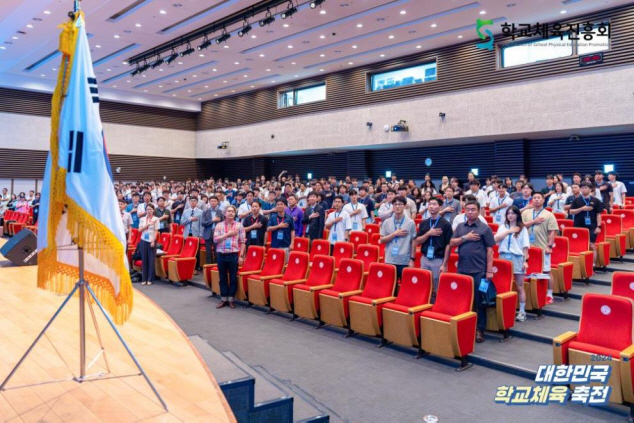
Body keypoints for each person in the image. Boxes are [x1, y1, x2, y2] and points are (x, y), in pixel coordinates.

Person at [450, 201, 496, 343]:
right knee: (463, 300)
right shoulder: (460, 226)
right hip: (462, 269)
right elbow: (452, 243)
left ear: (478, 211)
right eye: (467, 210)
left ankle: (479, 329)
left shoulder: (484, 228)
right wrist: (465, 238)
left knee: (479, 301)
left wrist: (489, 271)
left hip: (479, 271)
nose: (470, 212)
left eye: (473, 210)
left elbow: (490, 250)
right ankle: (465, 326)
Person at [521, 192, 558, 305]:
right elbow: (521, 226)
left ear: (543, 200)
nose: (536, 200)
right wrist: (534, 221)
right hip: (527, 248)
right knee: (527, 271)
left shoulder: (549, 214)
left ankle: (549, 294)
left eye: (539, 198)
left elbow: (553, 231)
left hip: (542, 248)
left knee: (546, 271)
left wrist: (549, 246)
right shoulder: (526, 212)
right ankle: (533, 295)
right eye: (535, 198)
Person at [494, 206, 530, 322]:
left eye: (513, 213)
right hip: (503, 257)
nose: (510, 215)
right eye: (508, 213)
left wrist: (525, 261)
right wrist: (508, 231)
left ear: (517, 215)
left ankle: (522, 311)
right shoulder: (502, 227)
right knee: (501, 284)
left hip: (517, 258)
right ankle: (503, 309)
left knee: (519, 286)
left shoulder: (522, 229)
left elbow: (525, 247)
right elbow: (495, 240)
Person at [412, 198, 452, 298]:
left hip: (438, 259)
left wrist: (445, 263)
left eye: (434, 204)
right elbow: (417, 241)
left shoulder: (446, 224)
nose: (431, 206)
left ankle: (436, 307)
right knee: (423, 284)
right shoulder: (424, 223)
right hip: (425, 258)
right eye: (429, 204)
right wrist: (428, 233)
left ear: (440, 207)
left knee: (437, 287)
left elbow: (448, 245)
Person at [213, 205, 246, 309]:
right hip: (221, 255)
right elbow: (215, 239)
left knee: (233, 278)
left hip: (233, 255)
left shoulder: (239, 226)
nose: (231, 213)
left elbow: (243, 242)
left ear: (235, 213)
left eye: (232, 211)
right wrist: (228, 234)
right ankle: (223, 299)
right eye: (229, 211)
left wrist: (241, 256)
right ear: (224, 213)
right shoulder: (219, 225)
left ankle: (231, 299)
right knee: (222, 278)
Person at [379, 196, 416, 285]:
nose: (397, 206)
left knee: (405, 287)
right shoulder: (387, 222)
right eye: (395, 204)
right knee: (390, 287)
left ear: (404, 206)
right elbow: (381, 240)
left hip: (404, 260)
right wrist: (395, 234)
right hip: (390, 260)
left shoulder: (410, 222)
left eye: (400, 204)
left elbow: (413, 242)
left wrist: (412, 259)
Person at [570, 181, 603, 262]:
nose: (584, 189)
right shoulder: (576, 200)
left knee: (592, 245)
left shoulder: (596, 201)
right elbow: (571, 212)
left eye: (586, 188)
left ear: (590, 189)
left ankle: (593, 266)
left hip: (592, 226)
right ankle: (581, 266)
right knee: (578, 245)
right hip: (578, 226)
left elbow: (599, 215)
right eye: (582, 188)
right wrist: (582, 209)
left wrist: (599, 227)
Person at [138, 203, 159, 285]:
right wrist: (147, 225)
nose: (149, 211)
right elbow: (139, 230)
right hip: (143, 240)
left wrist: (153, 240)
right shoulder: (142, 219)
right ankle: (144, 278)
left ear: (153, 210)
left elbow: (156, 231)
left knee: (151, 260)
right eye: (147, 209)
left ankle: (150, 279)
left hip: (151, 240)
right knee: (144, 259)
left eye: (150, 209)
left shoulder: (156, 219)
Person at [202, 196, 224, 264]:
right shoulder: (205, 212)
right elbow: (203, 223)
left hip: (217, 233)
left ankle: (216, 267)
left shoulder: (221, 212)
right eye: (211, 201)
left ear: (217, 202)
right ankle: (208, 267)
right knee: (208, 252)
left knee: (217, 251)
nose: (213, 202)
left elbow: (223, 223)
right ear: (209, 202)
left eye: (215, 201)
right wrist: (212, 220)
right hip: (208, 233)